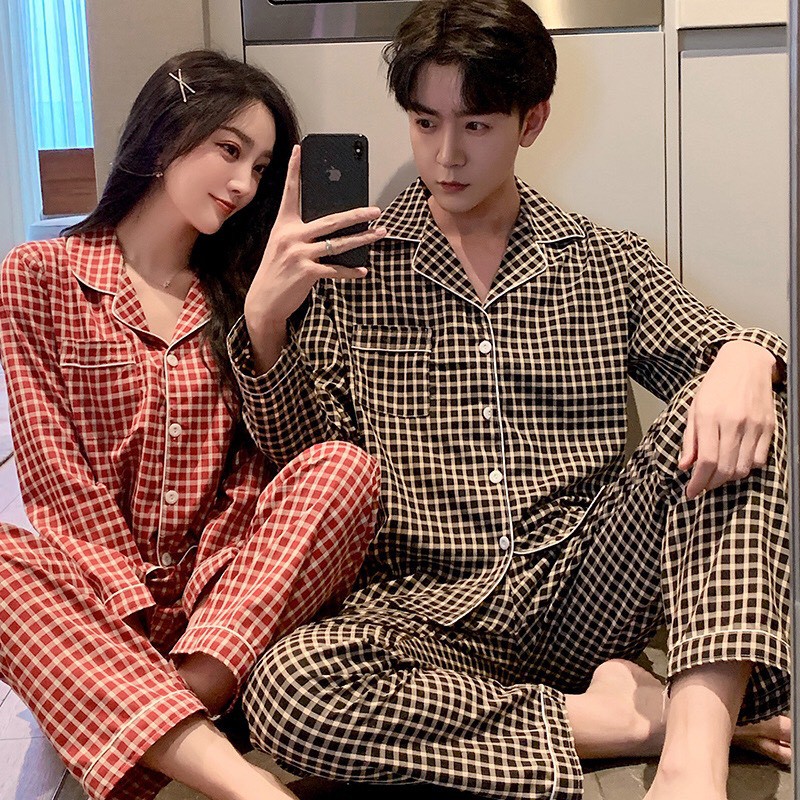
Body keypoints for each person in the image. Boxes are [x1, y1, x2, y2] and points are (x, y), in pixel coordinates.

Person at [231, 2, 791, 798]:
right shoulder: (352, 268)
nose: (447, 155)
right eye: (425, 123)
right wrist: (265, 321)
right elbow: (307, 463)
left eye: (477, 125)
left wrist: (748, 353)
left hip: (587, 589)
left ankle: (691, 764)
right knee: (288, 691)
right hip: (424, 615)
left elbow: (721, 358)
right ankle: (639, 719)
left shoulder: (604, 260)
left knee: (744, 407)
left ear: (533, 121)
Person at [0, 50, 386, 800]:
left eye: (260, 167)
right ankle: (242, 779)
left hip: (224, 600)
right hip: (99, 594)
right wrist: (128, 611)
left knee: (343, 467)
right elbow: (54, 474)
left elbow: (270, 468)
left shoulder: (245, 289)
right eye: (228, 150)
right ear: (165, 133)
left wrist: (264, 322)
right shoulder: (37, 275)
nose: (243, 185)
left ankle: (150, 710)